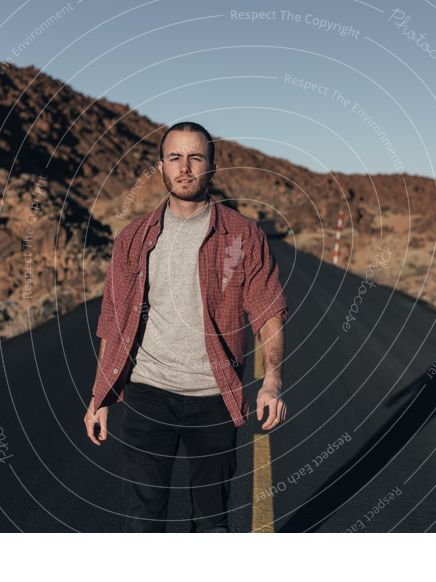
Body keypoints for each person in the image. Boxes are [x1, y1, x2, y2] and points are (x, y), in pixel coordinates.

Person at [83, 121, 289, 532]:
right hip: (147, 395)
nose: (185, 167)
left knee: (211, 522)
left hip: (213, 397)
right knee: (144, 522)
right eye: (175, 157)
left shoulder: (243, 235)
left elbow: (268, 313)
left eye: (196, 157)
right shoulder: (133, 239)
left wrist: (272, 382)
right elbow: (113, 321)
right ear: (161, 166)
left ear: (211, 167)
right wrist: (99, 396)